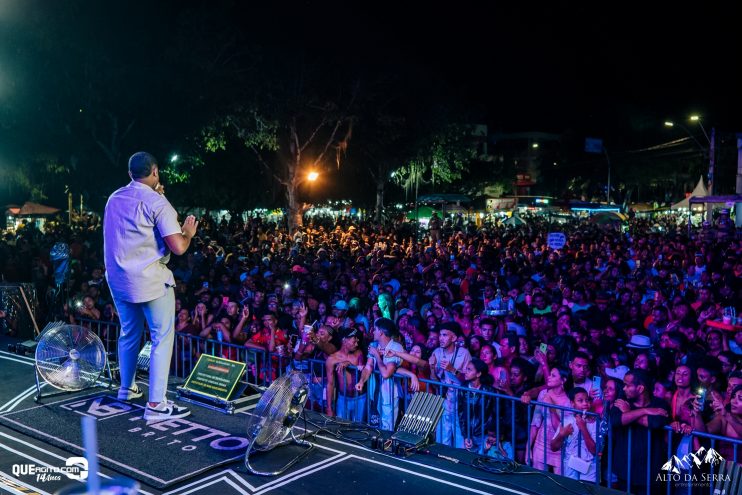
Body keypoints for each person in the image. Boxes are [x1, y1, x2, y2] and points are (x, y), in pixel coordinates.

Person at [104, 151, 197, 421]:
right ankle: (156, 405)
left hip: (119, 279)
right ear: (155, 171)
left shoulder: (114, 198)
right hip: (150, 281)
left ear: (130, 173)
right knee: (161, 337)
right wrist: (188, 234)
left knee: (129, 333)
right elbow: (178, 246)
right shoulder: (157, 203)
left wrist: (160, 194)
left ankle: (126, 388)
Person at [355, 317, 404, 430]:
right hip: (375, 394)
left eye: (375, 329)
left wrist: (377, 355)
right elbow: (368, 367)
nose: (373, 331)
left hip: (389, 396)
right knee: (375, 428)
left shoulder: (396, 347)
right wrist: (362, 381)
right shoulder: (374, 345)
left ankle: (387, 448)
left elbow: (386, 373)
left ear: (381, 332)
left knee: (387, 429)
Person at [550, 387, 598, 482]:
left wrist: (583, 427)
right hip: (570, 471)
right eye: (580, 401)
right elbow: (553, 447)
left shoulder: (595, 423)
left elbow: (594, 450)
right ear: (572, 403)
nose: (585, 404)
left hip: (589, 473)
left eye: (587, 400)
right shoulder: (567, 421)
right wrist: (561, 434)